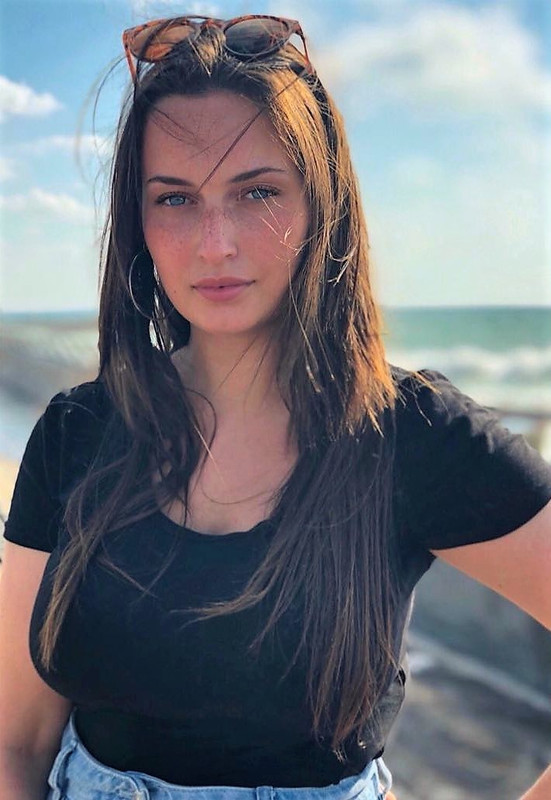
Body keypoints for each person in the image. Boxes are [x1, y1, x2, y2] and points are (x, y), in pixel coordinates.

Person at [0, 14, 550, 800]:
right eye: (174, 199)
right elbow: (15, 742)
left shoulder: (410, 436)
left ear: (320, 203)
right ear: (137, 224)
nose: (215, 243)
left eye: (256, 192)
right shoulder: (78, 433)